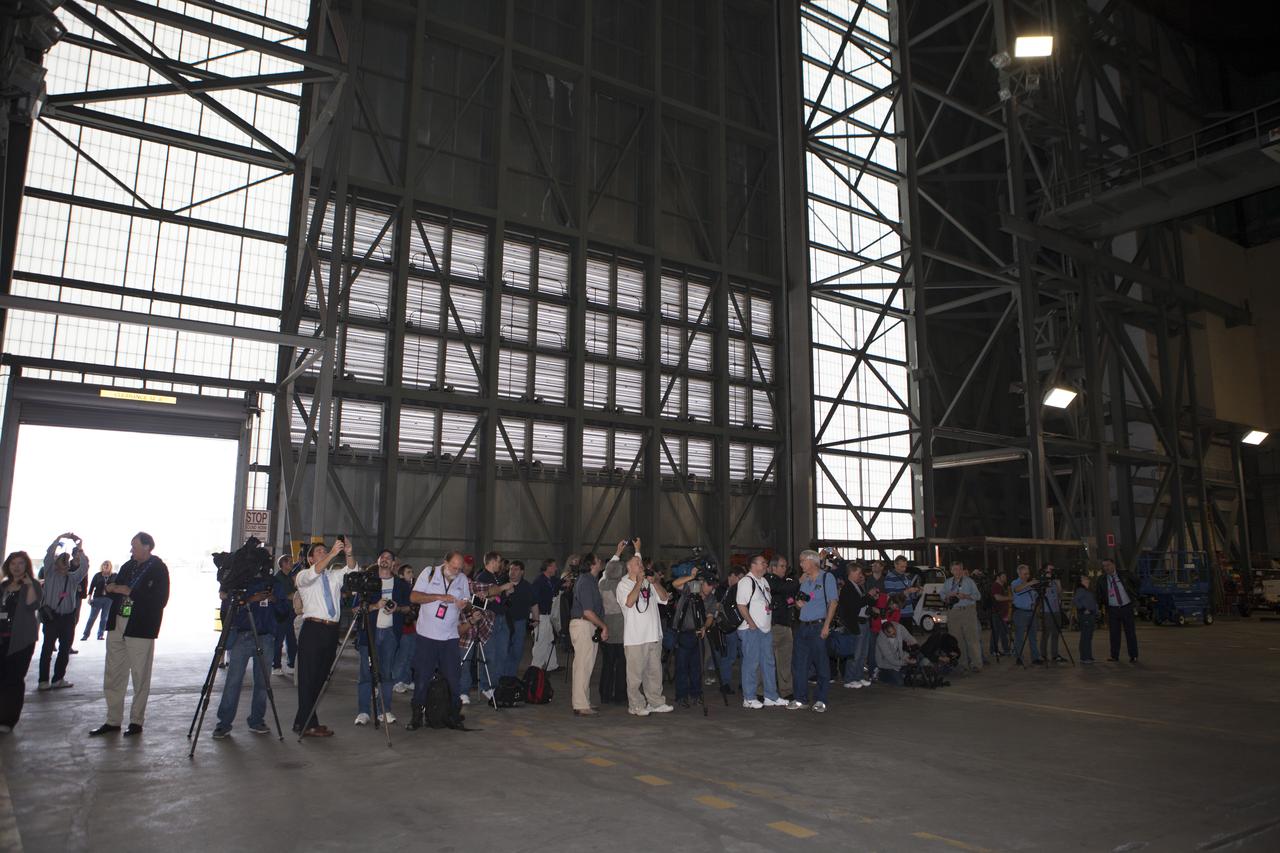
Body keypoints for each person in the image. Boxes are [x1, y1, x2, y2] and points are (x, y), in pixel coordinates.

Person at [90, 532, 170, 737]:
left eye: (134, 546)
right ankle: (113, 720)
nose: (131, 550)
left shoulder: (158, 569)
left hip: (141, 627)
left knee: (140, 675)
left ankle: (136, 721)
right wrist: (111, 588)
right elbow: (118, 588)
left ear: (147, 547)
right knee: (114, 673)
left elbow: (159, 600)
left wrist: (129, 591)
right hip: (118, 622)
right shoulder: (127, 566)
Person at [291, 538, 356, 738]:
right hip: (313, 628)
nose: (323, 552)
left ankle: (302, 720)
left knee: (321, 677)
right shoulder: (304, 576)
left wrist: (349, 552)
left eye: (324, 550)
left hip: (330, 631)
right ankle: (308, 724)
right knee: (308, 677)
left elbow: (351, 570)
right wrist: (331, 555)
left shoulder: (333, 576)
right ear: (310, 558)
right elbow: (316, 571)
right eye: (319, 552)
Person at [406, 552, 471, 730]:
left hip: (450, 637)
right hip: (427, 636)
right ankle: (417, 716)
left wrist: (464, 604)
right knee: (422, 678)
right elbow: (414, 597)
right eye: (453, 567)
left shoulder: (462, 579)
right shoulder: (429, 573)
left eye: (459, 568)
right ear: (445, 563)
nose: (456, 571)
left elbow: (467, 600)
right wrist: (439, 597)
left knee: (453, 678)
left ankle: (453, 714)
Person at [211, 574, 276, 739]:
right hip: (243, 636)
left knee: (262, 682)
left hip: (266, 637)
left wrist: (274, 599)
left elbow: (283, 609)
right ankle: (224, 723)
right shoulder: (238, 579)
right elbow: (228, 609)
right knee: (233, 681)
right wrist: (250, 599)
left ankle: (257, 720)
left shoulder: (270, 581)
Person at [354, 549, 411, 726]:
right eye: (382, 557)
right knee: (365, 673)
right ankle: (364, 711)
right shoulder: (367, 582)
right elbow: (356, 609)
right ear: (378, 560)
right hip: (368, 632)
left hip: (390, 635)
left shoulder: (401, 585)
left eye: (389, 558)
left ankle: (384, 710)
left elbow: (409, 608)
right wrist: (374, 606)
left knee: (386, 674)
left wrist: (397, 609)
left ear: (394, 563)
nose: (385, 560)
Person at [615, 539, 671, 716]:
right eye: (636, 563)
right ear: (628, 568)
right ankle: (636, 705)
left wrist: (654, 582)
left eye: (640, 562)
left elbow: (665, 598)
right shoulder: (623, 585)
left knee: (654, 672)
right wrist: (639, 583)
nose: (640, 565)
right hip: (635, 638)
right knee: (635, 675)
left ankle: (655, 701)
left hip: (654, 635)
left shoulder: (648, 581)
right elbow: (629, 603)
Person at [37, 533, 90, 690]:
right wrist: (60, 538)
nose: (66, 564)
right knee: (47, 649)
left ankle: (58, 678)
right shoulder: (50, 575)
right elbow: (48, 556)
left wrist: (80, 549)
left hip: (68, 618)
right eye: (62, 561)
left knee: (65, 648)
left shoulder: (72, 578)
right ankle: (43, 681)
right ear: (55, 564)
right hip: (52, 617)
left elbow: (85, 567)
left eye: (67, 562)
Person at [461, 551, 515, 704]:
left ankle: (495, 685)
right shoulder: (482, 577)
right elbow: (481, 599)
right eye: (498, 561)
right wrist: (501, 590)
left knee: (501, 654)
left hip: (501, 618)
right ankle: (486, 685)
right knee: (489, 655)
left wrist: (505, 593)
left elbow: (497, 598)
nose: (500, 564)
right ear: (492, 562)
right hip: (488, 620)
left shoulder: (497, 577)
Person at [787, 550, 837, 712]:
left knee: (821, 663)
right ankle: (800, 698)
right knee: (800, 664)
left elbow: (833, 602)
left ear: (812, 561)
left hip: (818, 626)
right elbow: (798, 600)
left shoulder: (826, 578)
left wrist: (826, 625)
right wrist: (797, 604)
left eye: (802, 561)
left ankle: (821, 699)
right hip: (803, 627)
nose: (800, 564)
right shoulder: (805, 581)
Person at [1, 552, 42, 733]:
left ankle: (8, 720)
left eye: (20, 563)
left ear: (26, 566)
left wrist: (28, 585)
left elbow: (32, 605)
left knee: (15, 679)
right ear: (8, 566)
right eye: (13, 564)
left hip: (21, 640)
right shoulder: (3, 586)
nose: (16, 567)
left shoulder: (32, 585)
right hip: (3, 638)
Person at [737, 554, 783, 710]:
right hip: (751, 629)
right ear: (753, 565)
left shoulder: (763, 581)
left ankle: (771, 696)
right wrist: (751, 623)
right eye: (763, 563)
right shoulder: (746, 582)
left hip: (765, 629)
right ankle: (748, 698)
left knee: (768, 663)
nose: (765, 565)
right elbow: (741, 605)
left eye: (765, 563)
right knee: (751, 663)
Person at [569, 552, 607, 716]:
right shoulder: (585, 581)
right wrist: (603, 626)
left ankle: (584, 700)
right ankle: (580, 704)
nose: (600, 563)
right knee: (582, 666)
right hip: (583, 624)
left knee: (586, 665)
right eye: (598, 560)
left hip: (587, 625)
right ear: (592, 564)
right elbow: (587, 611)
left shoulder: (590, 580)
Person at [669, 570, 713, 708]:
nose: (710, 588)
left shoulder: (711, 597)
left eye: (713, 586)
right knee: (682, 667)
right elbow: (675, 583)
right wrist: (691, 577)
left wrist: (705, 627)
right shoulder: (689, 588)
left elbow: (710, 616)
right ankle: (681, 696)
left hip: (698, 635)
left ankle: (696, 694)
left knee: (697, 667)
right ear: (701, 583)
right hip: (683, 633)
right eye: (708, 584)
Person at [598, 543, 629, 706]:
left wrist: (617, 553)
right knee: (622, 665)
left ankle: (604, 694)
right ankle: (620, 695)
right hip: (622, 630)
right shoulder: (622, 585)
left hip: (607, 627)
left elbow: (605, 572)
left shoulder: (602, 584)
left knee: (608, 664)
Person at [837, 562, 875, 688]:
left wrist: (871, 597)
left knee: (862, 653)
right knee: (855, 653)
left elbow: (862, 602)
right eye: (858, 573)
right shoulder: (848, 588)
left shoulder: (857, 586)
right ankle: (849, 679)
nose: (860, 575)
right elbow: (856, 604)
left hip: (863, 622)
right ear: (852, 573)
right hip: (855, 623)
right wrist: (868, 595)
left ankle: (858, 676)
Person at [765, 556, 797, 699]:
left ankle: (786, 691)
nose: (785, 569)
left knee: (785, 661)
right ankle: (766, 692)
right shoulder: (769, 580)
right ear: (773, 568)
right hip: (774, 626)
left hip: (786, 626)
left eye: (785, 566)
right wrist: (800, 581)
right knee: (768, 661)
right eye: (782, 566)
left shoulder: (785, 582)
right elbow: (782, 588)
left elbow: (789, 596)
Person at [941, 562, 982, 673]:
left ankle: (976, 664)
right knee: (956, 639)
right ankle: (962, 663)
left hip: (967, 611)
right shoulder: (948, 582)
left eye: (959, 569)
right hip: (953, 612)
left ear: (962, 570)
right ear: (951, 571)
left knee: (972, 638)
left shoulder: (969, 581)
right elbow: (942, 595)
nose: (957, 572)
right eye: (954, 570)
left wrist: (966, 596)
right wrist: (948, 597)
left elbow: (978, 596)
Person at [1100, 558, 1139, 662]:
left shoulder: (1125, 574)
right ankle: (1114, 655)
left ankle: (1133, 655)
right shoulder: (1102, 579)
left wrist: (1135, 596)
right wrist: (1101, 608)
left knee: (1130, 633)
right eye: (1104, 566)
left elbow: (1137, 583)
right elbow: (1099, 595)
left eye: (1108, 565)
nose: (1106, 568)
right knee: (1114, 634)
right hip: (1113, 609)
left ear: (1113, 565)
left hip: (1126, 607)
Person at [714, 566, 745, 694]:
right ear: (732, 576)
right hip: (728, 627)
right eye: (739, 578)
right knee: (729, 656)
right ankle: (725, 683)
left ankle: (743, 683)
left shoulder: (740, 589)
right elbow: (717, 606)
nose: (741, 582)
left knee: (744, 656)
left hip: (741, 625)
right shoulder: (721, 589)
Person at [502, 560, 534, 679]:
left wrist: (535, 618)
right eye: (511, 569)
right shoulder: (502, 584)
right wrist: (505, 594)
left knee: (517, 650)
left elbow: (533, 603)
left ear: (522, 572)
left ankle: (511, 676)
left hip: (520, 622)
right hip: (504, 622)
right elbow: (495, 601)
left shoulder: (527, 586)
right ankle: (503, 676)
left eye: (516, 569)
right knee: (504, 649)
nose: (512, 572)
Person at [1009, 564, 1043, 666]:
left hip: (1031, 612)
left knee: (1033, 636)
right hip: (1020, 612)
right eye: (1024, 574)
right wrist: (1029, 584)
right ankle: (1019, 657)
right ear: (1019, 573)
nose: (1027, 576)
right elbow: (1017, 590)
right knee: (1020, 636)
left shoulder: (1030, 583)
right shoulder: (1015, 582)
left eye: (1028, 573)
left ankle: (1035, 657)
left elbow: (1036, 596)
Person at [529, 559, 559, 671]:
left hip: (547, 615)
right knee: (540, 641)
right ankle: (535, 667)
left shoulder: (549, 580)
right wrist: (535, 618)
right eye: (554, 566)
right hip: (539, 616)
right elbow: (533, 600)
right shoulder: (539, 581)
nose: (556, 569)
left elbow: (557, 584)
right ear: (548, 567)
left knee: (549, 640)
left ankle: (551, 665)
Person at [270, 554, 298, 677]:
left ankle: (291, 665)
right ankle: (276, 665)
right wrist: (291, 595)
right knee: (278, 641)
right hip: (281, 613)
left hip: (291, 612)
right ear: (283, 564)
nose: (292, 564)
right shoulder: (278, 578)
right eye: (290, 562)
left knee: (291, 639)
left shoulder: (289, 577)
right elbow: (280, 596)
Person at [392, 564, 418, 692]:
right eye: (408, 572)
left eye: (412, 572)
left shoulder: (411, 588)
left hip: (411, 626)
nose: (411, 574)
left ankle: (406, 680)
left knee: (410, 656)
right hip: (403, 627)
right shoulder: (400, 587)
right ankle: (397, 681)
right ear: (401, 575)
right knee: (402, 656)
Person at [1037, 564, 1067, 663]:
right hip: (1047, 611)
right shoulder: (1042, 581)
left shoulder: (1055, 581)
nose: (1053, 570)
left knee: (1056, 633)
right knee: (1046, 633)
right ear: (1045, 570)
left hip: (1056, 610)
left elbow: (1060, 595)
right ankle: (1043, 655)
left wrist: (1058, 582)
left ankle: (1055, 655)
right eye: (1051, 569)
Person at [882, 555, 922, 624]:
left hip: (908, 613)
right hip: (897, 614)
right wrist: (906, 592)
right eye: (901, 567)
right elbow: (892, 597)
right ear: (895, 565)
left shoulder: (906, 577)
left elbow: (911, 596)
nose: (904, 569)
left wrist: (917, 592)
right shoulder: (889, 578)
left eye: (905, 567)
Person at [81, 561, 113, 642]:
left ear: (110, 567)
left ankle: (100, 635)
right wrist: (89, 598)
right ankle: (85, 635)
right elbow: (91, 586)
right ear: (102, 566)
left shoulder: (114, 576)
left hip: (108, 599)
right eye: (104, 565)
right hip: (97, 598)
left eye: (107, 565)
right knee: (92, 617)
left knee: (104, 618)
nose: (106, 566)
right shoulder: (98, 575)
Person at [875, 620, 914, 686]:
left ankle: (900, 672)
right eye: (891, 634)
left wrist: (915, 646)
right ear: (885, 633)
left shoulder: (899, 628)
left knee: (908, 675)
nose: (894, 635)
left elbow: (909, 637)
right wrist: (905, 662)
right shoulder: (881, 640)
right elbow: (891, 660)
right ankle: (880, 675)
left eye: (894, 632)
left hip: (897, 660)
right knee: (899, 683)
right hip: (886, 664)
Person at [1074, 575, 1099, 663]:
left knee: (1088, 636)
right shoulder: (1081, 590)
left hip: (1091, 615)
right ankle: (1085, 657)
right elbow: (1076, 600)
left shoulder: (1088, 590)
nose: (1087, 579)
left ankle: (1088, 656)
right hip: (1086, 616)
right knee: (1086, 636)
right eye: (1084, 578)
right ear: (1081, 581)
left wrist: (1096, 611)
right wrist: (1083, 609)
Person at [988, 570, 1011, 658]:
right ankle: (994, 650)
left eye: (1005, 576)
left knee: (1003, 632)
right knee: (996, 632)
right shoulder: (996, 586)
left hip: (1001, 613)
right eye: (1003, 576)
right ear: (998, 577)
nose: (1005, 578)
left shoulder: (1001, 586)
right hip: (997, 613)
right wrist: (1010, 598)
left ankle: (1005, 650)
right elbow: (997, 598)